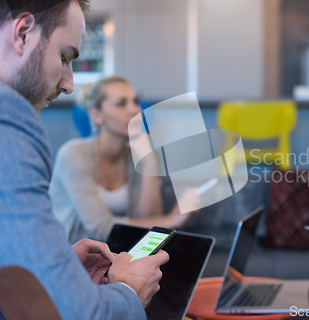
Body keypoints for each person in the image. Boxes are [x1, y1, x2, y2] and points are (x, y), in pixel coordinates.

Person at [0, 0, 168, 319]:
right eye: (64, 57)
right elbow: (76, 313)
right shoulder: (12, 124)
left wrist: (57, 262)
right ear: (22, 34)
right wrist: (130, 291)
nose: (69, 84)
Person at [50, 75, 199, 243]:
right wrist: (171, 220)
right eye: (121, 104)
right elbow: (101, 228)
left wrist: (149, 162)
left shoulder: (138, 154)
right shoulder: (74, 154)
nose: (135, 110)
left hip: (114, 255)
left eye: (135, 101)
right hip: (69, 258)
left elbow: (147, 219)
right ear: (97, 115)